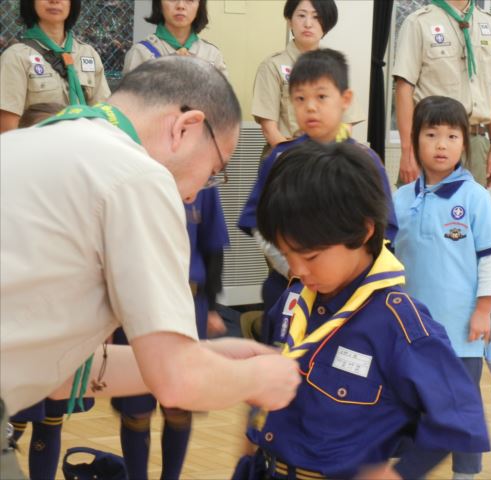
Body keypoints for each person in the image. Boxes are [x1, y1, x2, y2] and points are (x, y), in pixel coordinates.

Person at [0, 55, 301, 479]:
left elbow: (60, 374)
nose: (199, 193)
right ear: (185, 127)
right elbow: (177, 383)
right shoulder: (139, 176)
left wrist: (202, 356)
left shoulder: (34, 143)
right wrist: (261, 379)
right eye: (215, 171)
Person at [234, 141, 490, 480]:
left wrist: (402, 473)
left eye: (309, 256)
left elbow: (458, 416)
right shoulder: (293, 301)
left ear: (363, 230)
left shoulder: (399, 324)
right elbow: (266, 377)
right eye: (286, 254)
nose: (297, 270)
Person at [116, 2, 229, 477]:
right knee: (136, 405)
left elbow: (214, 247)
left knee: (180, 402)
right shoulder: (141, 54)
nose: (181, 3)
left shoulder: (212, 55)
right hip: (140, 304)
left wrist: (218, 306)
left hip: (189, 304)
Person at [239, 47, 397, 318]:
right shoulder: (279, 158)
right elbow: (259, 224)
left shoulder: (365, 160)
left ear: (345, 99)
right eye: (300, 98)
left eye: (321, 96)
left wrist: (348, 273)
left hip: (353, 294)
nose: (310, 106)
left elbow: (385, 230)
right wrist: (293, 266)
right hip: (289, 286)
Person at [393, 96, 491, 480]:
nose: (442, 144)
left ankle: (466, 472)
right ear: (414, 139)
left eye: (452, 136)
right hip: (410, 330)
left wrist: (483, 310)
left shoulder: (475, 197)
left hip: (460, 330)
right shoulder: (400, 199)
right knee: (411, 404)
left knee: (460, 406)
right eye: (432, 134)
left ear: (464, 144)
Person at [7, 102, 95, 480]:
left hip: (64, 325)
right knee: (13, 423)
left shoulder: (80, 196)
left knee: (52, 417)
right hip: (16, 333)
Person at [392, 0, 491, 187]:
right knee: (418, 210)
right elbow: (404, 86)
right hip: (432, 141)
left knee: (470, 212)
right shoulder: (419, 22)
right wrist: (408, 150)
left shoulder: (489, 22)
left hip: (476, 142)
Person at [251, 0, 364, 150]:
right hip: (285, 158)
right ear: (290, 21)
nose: (308, 23)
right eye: (302, 15)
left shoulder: (334, 66)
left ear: (327, 24)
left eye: (316, 17)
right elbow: (269, 129)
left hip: (328, 158)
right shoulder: (272, 66)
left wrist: (329, 157)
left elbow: (346, 123)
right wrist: (301, 161)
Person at [0, 0, 110, 132]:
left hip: (83, 146)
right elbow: (8, 127)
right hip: (39, 149)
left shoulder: (88, 53)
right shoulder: (16, 56)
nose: (54, 1)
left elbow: (104, 113)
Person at [123, 0, 226, 75]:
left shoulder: (212, 55)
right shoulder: (141, 53)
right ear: (159, 4)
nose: (180, 5)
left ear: (200, 5)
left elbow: (223, 102)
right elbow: (129, 103)